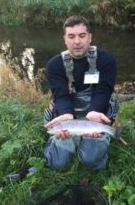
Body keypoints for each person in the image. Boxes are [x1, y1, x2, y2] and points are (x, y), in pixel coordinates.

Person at [43, 15, 118, 171]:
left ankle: (105, 137)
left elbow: (103, 91)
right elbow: (61, 95)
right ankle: (65, 145)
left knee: (89, 162)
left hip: (96, 115)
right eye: (71, 36)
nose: (77, 41)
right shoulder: (54, 65)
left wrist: (95, 113)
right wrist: (66, 114)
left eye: (82, 36)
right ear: (65, 39)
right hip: (68, 116)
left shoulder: (106, 60)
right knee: (58, 164)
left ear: (90, 37)